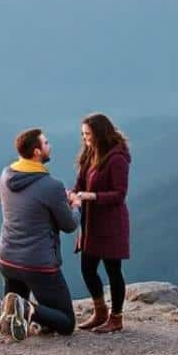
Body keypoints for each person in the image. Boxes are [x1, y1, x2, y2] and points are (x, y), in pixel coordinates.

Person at [0, 127, 78, 341]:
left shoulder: (6, 175)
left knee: (15, 309)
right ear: (37, 152)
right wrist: (75, 206)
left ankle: (15, 314)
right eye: (46, 143)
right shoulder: (51, 186)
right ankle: (29, 309)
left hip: (7, 259)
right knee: (66, 323)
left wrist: (58, 201)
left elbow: (25, 208)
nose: (50, 145)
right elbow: (69, 225)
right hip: (37, 265)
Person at [68, 112, 131, 333]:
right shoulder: (89, 153)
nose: (85, 138)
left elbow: (119, 194)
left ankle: (116, 317)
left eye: (88, 134)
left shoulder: (117, 158)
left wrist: (90, 196)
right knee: (87, 268)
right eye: (83, 134)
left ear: (100, 133)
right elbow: (79, 184)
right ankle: (100, 310)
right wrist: (72, 195)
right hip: (91, 223)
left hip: (111, 223)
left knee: (113, 271)